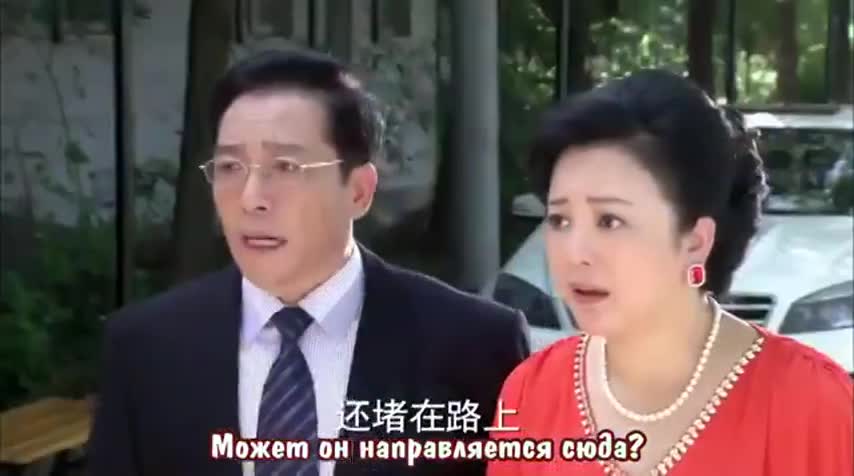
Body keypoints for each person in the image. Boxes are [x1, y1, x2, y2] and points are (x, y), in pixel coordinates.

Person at [88, 49, 530, 476]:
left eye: (286, 167)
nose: (251, 199)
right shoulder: (146, 348)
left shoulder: (476, 345)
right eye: (230, 167)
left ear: (359, 190)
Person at [486, 70, 853, 475]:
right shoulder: (533, 393)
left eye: (609, 220)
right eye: (560, 220)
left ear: (695, 242)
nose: (575, 253)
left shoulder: (816, 406)